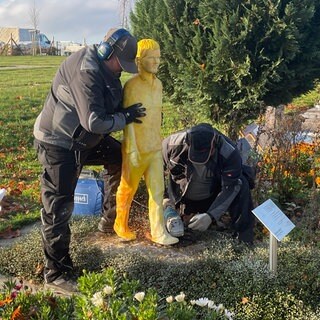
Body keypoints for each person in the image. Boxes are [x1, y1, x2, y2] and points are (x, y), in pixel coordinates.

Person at [33, 27, 146, 294]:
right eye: (122, 64)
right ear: (108, 52)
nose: (123, 70)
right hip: (59, 142)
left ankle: (110, 220)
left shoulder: (109, 70)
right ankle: (56, 273)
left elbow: (109, 108)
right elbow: (94, 121)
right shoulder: (86, 70)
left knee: (121, 158)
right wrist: (125, 118)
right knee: (59, 205)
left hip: (85, 140)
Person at [114, 39, 179, 245]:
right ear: (140, 60)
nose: (157, 62)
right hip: (136, 148)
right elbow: (128, 122)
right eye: (152, 58)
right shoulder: (132, 86)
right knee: (127, 189)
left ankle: (158, 232)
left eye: (158, 58)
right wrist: (132, 148)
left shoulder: (158, 85)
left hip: (154, 148)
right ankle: (120, 224)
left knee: (157, 192)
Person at [162, 123, 255, 244]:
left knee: (242, 182)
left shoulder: (229, 153)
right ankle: (180, 217)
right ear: (188, 142)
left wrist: (211, 215)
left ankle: (244, 240)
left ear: (214, 144)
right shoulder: (171, 145)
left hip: (212, 198)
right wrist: (164, 199)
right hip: (182, 198)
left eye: (204, 154)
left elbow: (230, 187)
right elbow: (153, 171)